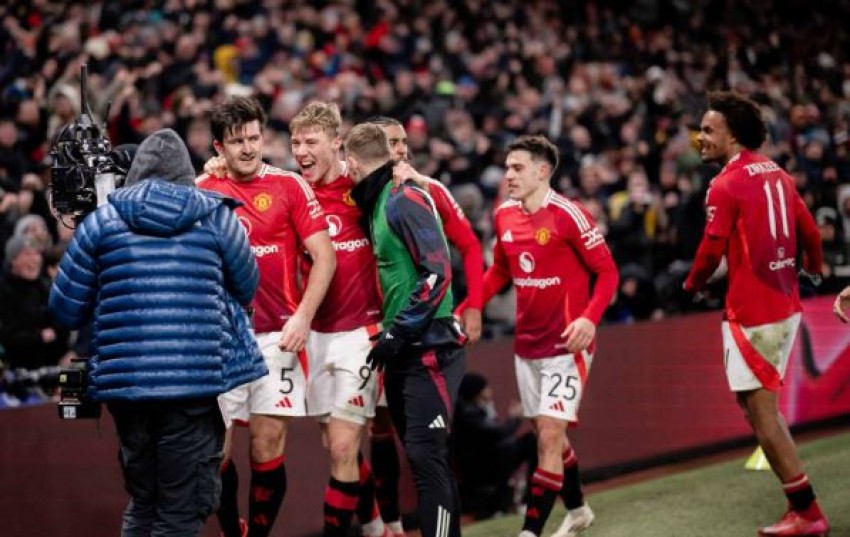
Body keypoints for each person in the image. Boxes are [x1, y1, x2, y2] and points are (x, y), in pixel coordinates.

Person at [48, 128, 266, 537]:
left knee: (145, 503)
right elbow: (248, 286)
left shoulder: (101, 221)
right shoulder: (218, 215)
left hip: (126, 390)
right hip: (193, 386)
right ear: (186, 174)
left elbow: (64, 309)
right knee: (180, 512)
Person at [457, 135, 618, 537]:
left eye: (517, 168)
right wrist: (467, 307)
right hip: (526, 345)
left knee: (548, 435)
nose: (508, 175)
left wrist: (589, 319)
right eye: (507, 167)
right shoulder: (504, 214)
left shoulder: (570, 215)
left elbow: (609, 273)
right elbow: (501, 272)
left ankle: (530, 532)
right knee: (552, 438)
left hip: (568, 344)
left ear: (542, 171)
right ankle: (578, 510)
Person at [683, 91, 829, 537]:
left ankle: (806, 513)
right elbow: (808, 228)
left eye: (709, 131)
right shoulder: (778, 173)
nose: (701, 138)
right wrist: (815, 270)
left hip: (755, 311)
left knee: (762, 417)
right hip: (783, 305)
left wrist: (692, 283)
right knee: (753, 409)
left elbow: (711, 248)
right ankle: (802, 508)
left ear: (733, 135)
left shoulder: (724, 184)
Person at [197, 96, 336, 537]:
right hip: (221, 339)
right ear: (219, 145)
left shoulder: (290, 186)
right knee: (215, 455)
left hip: (279, 335)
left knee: (267, 444)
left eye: (254, 137)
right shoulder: (203, 191)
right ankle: (230, 527)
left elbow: (324, 257)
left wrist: (303, 318)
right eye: (237, 141)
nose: (248, 148)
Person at [346, 122, 467, 537]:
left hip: (429, 347)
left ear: (353, 162)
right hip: (408, 350)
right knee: (425, 459)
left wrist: (399, 331)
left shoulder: (402, 199)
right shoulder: (382, 200)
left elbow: (437, 270)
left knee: (425, 457)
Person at [288, 101, 387, 537]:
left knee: (346, 445)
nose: (301, 151)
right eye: (295, 142)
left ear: (336, 143)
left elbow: (408, 190)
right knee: (336, 449)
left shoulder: (362, 183)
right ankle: (375, 524)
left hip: (362, 334)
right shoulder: (295, 191)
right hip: (314, 338)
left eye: (311, 142)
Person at [451, 372, 536, 520]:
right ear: (477, 392)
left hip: (489, 459)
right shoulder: (468, 413)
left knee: (533, 440)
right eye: (485, 388)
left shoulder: (476, 408)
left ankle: (524, 499)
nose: (489, 390)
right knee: (532, 442)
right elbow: (498, 434)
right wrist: (515, 418)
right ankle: (527, 500)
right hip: (483, 466)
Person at [0, 234, 70, 371]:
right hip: (18, 369)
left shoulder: (46, 286)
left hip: (52, 366)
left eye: (37, 253)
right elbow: (7, 335)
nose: (34, 259)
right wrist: (38, 337)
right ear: (13, 260)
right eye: (27, 254)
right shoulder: (4, 291)